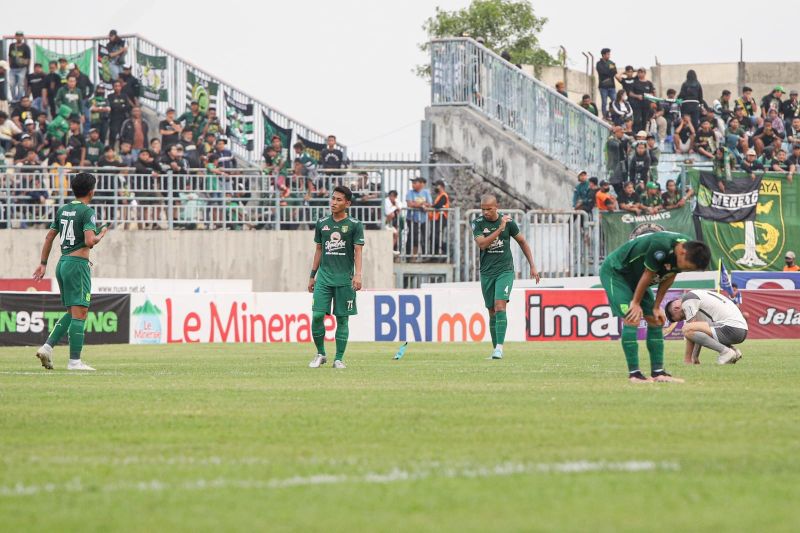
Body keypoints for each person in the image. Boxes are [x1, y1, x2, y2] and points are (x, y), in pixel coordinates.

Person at [599, 232, 711, 382]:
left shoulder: (689, 249)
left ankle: (658, 373)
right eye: (686, 267)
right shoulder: (661, 246)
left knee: (656, 320)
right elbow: (648, 273)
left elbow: (669, 277)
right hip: (617, 273)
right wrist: (636, 303)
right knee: (632, 317)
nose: (683, 269)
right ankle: (635, 375)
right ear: (682, 252)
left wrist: (657, 307)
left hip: (637, 278)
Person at [32, 172, 109, 371]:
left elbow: (49, 237)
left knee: (72, 311)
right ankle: (74, 361)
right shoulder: (86, 211)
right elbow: (90, 241)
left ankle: (47, 347)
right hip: (77, 265)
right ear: (92, 191)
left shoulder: (64, 209)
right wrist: (101, 234)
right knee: (81, 311)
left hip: (62, 263)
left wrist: (42, 264)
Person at [472, 194, 540, 360]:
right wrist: (499, 229)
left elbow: (522, 242)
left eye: (489, 209)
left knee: (500, 305)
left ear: (497, 207)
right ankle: (495, 349)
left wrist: (532, 265)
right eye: (483, 209)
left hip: (505, 271)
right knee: (491, 311)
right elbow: (482, 244)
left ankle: (499, 349)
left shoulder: (508, 223)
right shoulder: (478, 223)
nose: (486, 212)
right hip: (487, 272)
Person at [307, 186, 364, 369]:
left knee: (342, 319)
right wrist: (312, 275)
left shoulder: (354, 225)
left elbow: (358, 251)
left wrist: (358, 274)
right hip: (324, 278)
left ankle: (338, 358)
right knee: (317, 316)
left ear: (347, 203)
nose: (334, 202)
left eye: (339, 200)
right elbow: (318, 249)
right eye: (333, 198)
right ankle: (321, 353)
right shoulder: (322, 223)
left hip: (344, 279)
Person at [665, 290, 747, 365]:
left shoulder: (687, 300)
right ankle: (733, 352)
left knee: (686, 328)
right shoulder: (699, 297)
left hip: (731, 328)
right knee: (692, 328)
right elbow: (697, 334)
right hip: (741, 329)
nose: (685, 318)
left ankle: (726, 352)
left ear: (676, 308)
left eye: (682, 317)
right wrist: (695, 357)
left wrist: (687, 360)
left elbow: (689, 329)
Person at [404, 176, 432, 258]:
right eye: (412, 183)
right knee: (412, 237)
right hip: (412, 218)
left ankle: (424, 255)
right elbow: (409, 204)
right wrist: (421, 204)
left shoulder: (426, 192)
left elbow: (429, 204)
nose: (413, 185)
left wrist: (416, 204)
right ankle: (410, 255)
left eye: (415, 183)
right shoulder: (410, 192)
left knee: (424, 237)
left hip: (423, 218)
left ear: (420, 184)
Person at [7, 31, 31, 103]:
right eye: (17, 35)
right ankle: (14, 98)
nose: (19, 37)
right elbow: (10, 56)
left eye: (20, 36)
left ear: (22, 37)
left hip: (22, 68)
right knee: (11, 84)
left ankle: (19, 99)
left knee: (21, 85)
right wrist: (10, 65)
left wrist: (27, 68)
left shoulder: (26, 47)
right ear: (15, 36)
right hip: (13, 68)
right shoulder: (12, 45)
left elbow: (28, 59)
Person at [429, 179, 451, 257]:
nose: (435, 187)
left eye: (436, 185)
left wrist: (430, 206)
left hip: (441, 218)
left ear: (441, 186)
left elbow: (438, 205)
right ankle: (435, 254)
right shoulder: (439, 196)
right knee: (433, 236)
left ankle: (446, 250)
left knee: (435, 236)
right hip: (437, 218)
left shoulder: (444, 195)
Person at [596, 48, 617, 119]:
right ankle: (605, 116)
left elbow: (614, 72)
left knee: (615, 101)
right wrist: (609, 71)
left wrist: (608, 72)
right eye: (608, 54)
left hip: (611, 86)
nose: (609, 55)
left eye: (609, 54)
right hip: (603, 87)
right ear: (603, 55)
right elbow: (602, 72)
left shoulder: (611, 63)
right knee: (604, 102)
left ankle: (615, 114)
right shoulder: (599, 64)